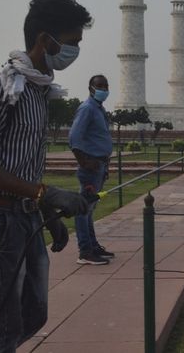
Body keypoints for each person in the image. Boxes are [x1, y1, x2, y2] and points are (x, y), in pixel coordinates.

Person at [0, 0, 92, 352]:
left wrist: (46, 212)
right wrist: (47, 194)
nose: (74, 51)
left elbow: (23, 164)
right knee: (4, 329)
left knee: (34, 315)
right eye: (71, 43)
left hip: (24, 217)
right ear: (44, 40)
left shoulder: (37, 92)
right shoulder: (2, 88)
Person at [70, 74, 114, 265]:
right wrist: (84, 161)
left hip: (99, 165)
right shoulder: (87, 108)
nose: (104, 89)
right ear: (91, 88)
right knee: (83, 209)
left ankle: (92, 246)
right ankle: (85, 251)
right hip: (91, 166)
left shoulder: (98, 109)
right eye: (100, 86)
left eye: (106, 85)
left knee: (89, 209)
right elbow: (74, 137)